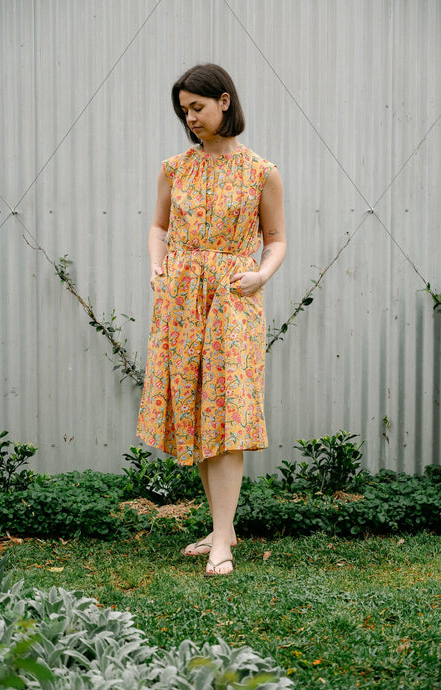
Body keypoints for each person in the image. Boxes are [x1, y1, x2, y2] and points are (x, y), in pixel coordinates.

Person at [137, 63, 285, 576]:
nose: (190, 119)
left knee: (227, 416)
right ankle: (224, 528)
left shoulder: (261, 171)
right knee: (201, 410)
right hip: (181, 300)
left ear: (225, 101)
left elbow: (277, 240)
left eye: (197, 108)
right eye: (184, 112)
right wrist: (157, 263)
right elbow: (159, 225)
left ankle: (222, 538)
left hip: (232, 299)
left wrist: (261, 276)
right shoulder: (174, 168)